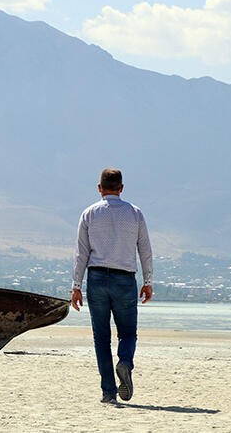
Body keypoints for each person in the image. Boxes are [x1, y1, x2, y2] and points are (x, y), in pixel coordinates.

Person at [71, 168, 153, 404]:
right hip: (125, 278)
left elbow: (81, 253)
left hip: (97, 278)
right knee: (127, 333)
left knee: (101, 338)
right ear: (121, 188)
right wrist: (147, 281)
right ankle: (125, 362)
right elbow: (145, 250)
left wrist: (76, 286)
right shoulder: (135, 214)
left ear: (100, 188)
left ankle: (108, 392)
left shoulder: (89, 214)